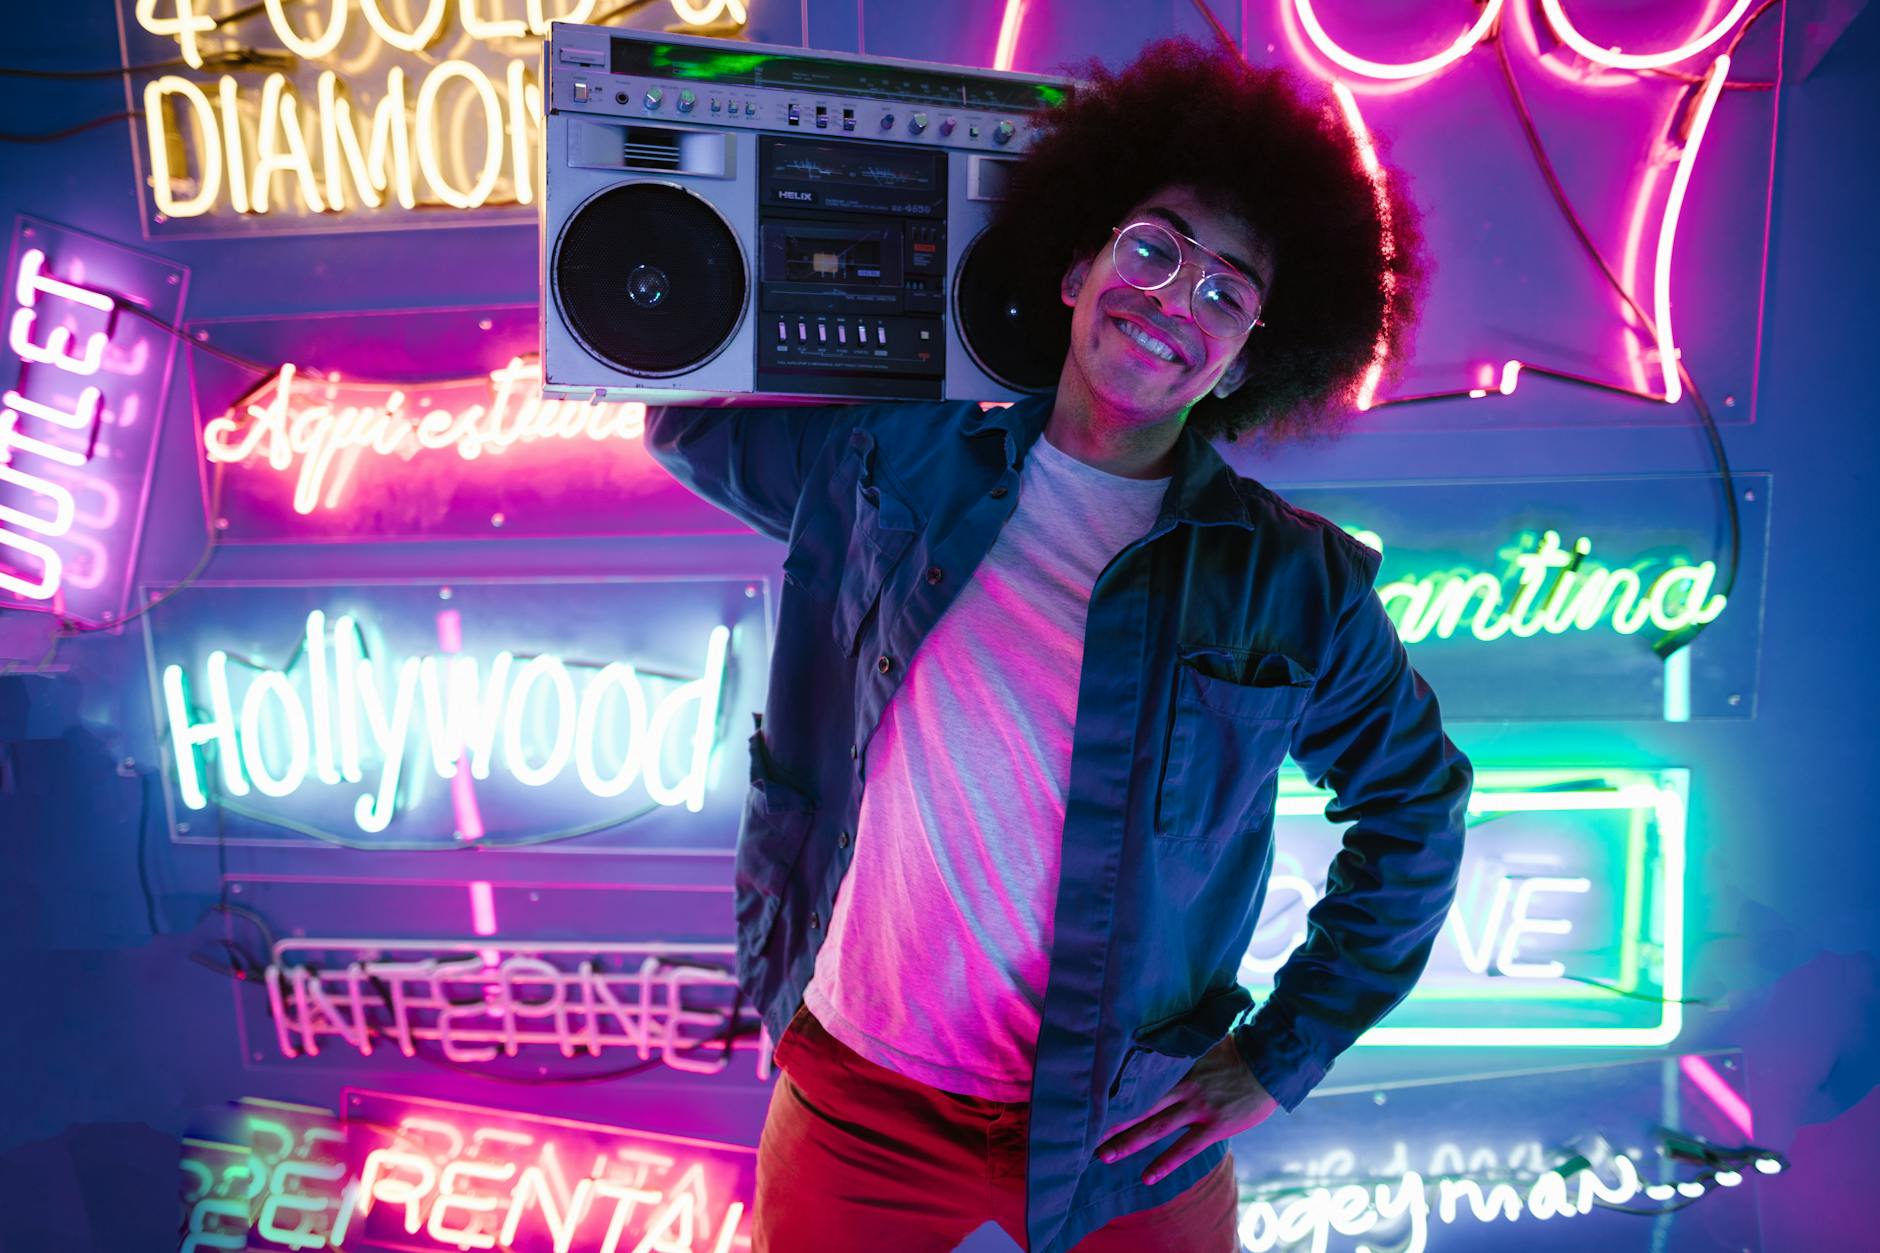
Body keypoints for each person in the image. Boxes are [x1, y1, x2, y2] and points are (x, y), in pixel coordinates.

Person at [644, 36, 1471, 1253]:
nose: (1172, 298)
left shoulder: (1290, 582)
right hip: (856, 1094)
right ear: (1077, 262)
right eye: (1150, 247)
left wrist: (1276, 1055)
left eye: (1223, 293)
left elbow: (1416, 803)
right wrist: (862, 257)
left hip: (1126, 1125)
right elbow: (680, 411)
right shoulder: (892, 463)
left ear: (1248, 355)